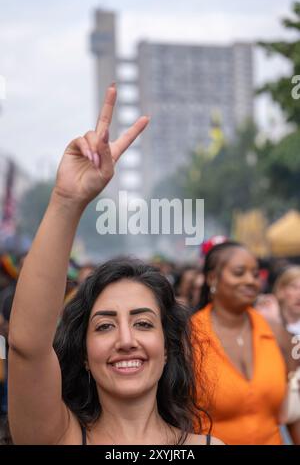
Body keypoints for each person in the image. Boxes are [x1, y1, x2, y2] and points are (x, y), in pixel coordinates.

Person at [8, 84, 222, 446]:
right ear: (85, 355)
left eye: (142, 323)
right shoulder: (61, 438)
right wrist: (66, 201)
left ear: (167, 347)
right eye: (105, 326)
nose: (126, 340)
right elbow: (27, 346)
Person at [191, 241, 300, 445]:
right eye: (239, 273)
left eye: (256, 274)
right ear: (212, 278)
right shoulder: (188, 337)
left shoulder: (276, 332)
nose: (251, 281)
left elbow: (295, 413)